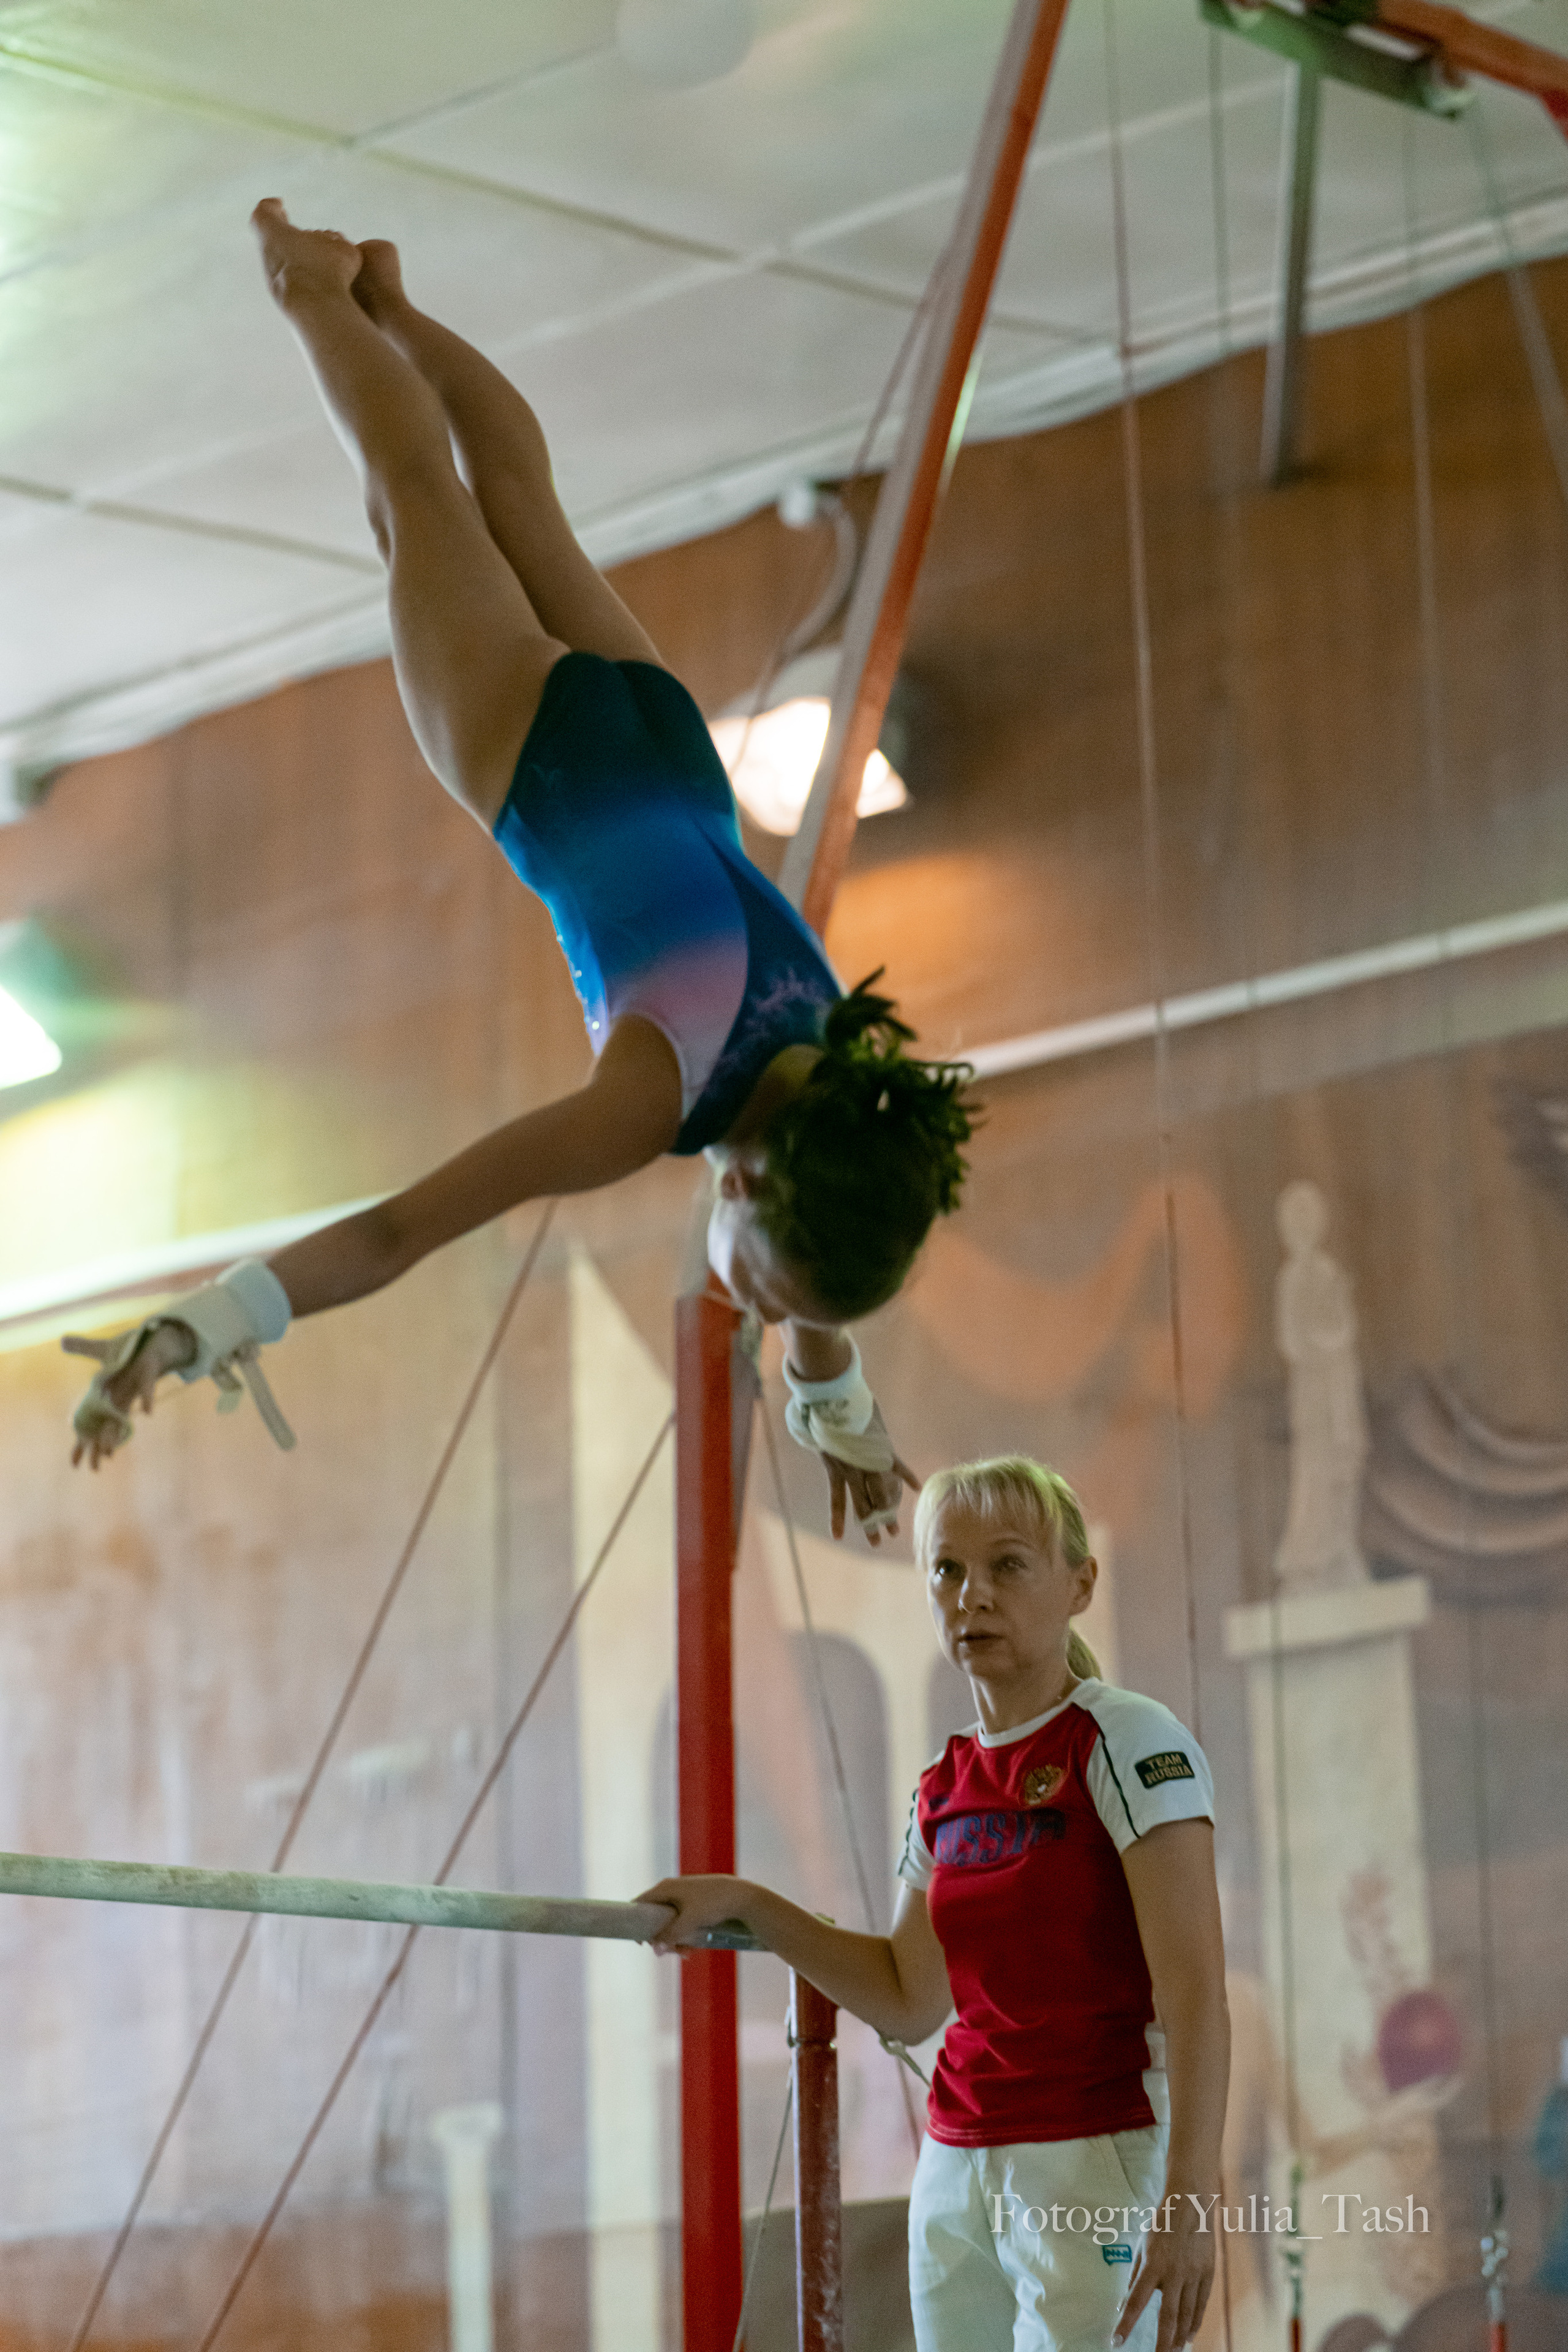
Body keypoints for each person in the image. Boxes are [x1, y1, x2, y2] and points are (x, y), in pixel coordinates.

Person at [65, 200, 973, 1542]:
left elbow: (818, 1255)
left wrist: (837, 1411)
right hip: (532, 761)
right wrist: (192, 1331)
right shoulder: (647, 1101)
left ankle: (392, 303)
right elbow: (393, 1235)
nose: (770, 1321)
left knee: (514, 503)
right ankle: (309, 289)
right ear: (747, 1184)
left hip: (663, 745)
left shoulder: (844, 1069)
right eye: (772, 1302)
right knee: (409, 499)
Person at [640, 1455, 1231, 2352]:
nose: (972, 1595)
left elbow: (1195, 1994)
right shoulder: (942, 1785)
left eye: (1007, 1566)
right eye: (947, 1571)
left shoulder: (1126, 1738)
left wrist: (1191, 2199)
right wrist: (753, 1908)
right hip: (955, 2169)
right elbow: (909, 1998)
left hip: (1096, 2157)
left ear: (1079, 1584)